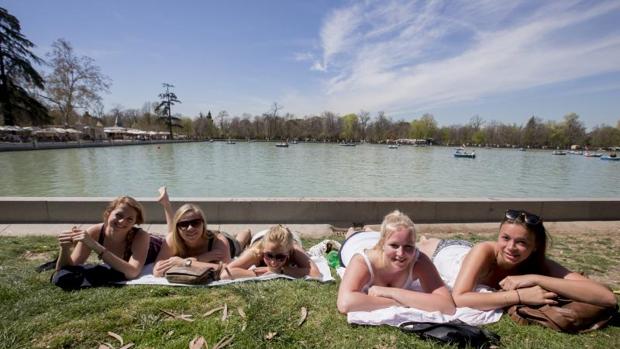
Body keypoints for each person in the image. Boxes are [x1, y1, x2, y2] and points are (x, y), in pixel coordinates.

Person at [418, 209, 618, 311]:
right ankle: (426, 240)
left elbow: (608, 298)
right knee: (422, 246)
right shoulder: (484, 250)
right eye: (505, 238)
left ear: (535, 246)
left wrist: (537, 279)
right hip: (446, 253)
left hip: (464, 251)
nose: (511, 248)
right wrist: (520, 297)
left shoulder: (540, 264)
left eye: (521, 242)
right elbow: (459, 298)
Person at [337, 210, 455, 314]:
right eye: (394, 246)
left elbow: (447, 306)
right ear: (382, 244)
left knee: (392, 235)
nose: (401, 253)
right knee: (352, 234)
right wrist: (396, 302)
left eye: (408, 247)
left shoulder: (418, 260)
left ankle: (371, 231)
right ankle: (352, 231)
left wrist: (390, 292)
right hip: (354, 242)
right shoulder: (362, 261)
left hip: (381, 237)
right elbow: (345, 303)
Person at [53, 196, 160, 288]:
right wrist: (65, 248)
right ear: (108, 213)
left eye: (130, 219)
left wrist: (95, 246)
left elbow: (132, 273)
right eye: (119, 215)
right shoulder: (94, 232)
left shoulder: (140, 236)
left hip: (159, 244)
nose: (122, 221)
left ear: (134, 223)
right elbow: (66, 268)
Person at [153, 187, 251, 277]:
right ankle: (166, 204)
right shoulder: (171, 239)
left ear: (203, 224)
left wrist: (185, 263)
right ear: (177, 228)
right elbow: (157, 271)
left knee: (239, 244)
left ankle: (247, 232)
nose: (190, 228)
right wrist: (200, 258)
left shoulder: (218, 241)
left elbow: (226, 270)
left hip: (227, 242)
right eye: (183, 224)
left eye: (195, 223)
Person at [220, 224, 322, 280]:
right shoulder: (257, 251)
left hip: (292, 237)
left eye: (280, 257)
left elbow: (316, 273)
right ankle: (247, 232)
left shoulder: (294, 250)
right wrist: (257, 273)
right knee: (238, 245)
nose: (273, 262)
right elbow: (225, 273)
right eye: (269, 256)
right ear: (263, 251)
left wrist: (281, 270)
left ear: (288, 252)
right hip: (260, 237)